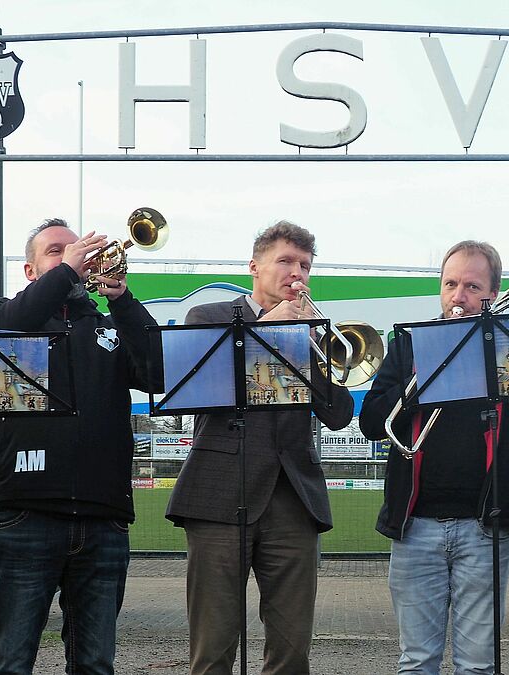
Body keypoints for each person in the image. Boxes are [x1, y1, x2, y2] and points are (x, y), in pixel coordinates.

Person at [165, 221, 354, 675]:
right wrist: (268, 332)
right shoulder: (208, 317)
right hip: (218, 494)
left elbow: (340, 414)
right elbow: (200, 390)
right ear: (255, 267)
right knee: (213, 647)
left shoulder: (312, 331)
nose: (297, 274)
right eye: (285, 261)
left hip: (294, 498)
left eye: (305, 265)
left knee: (292, 650)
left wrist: (310, 349)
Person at [0, 218, 159, 674]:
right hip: (25, 510)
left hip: (103, 517)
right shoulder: (6, 315)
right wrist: (70, 273)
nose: (74, 256)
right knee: (8, 662)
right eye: (56, 252)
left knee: (95, 664)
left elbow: (156, 373)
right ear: (31, 271)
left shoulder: (106, 324)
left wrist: (122, 300)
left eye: (76, 249)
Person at [358, 240, 509, 675]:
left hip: (486, 527)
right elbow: (372, 422)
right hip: (416, 526)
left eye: (471, 286)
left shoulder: (506, 346)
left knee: (479, 665)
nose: (458, 296)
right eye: (450, 284)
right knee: (416, 661)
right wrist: (419, 381)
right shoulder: (409, 344)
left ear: (493, 295)